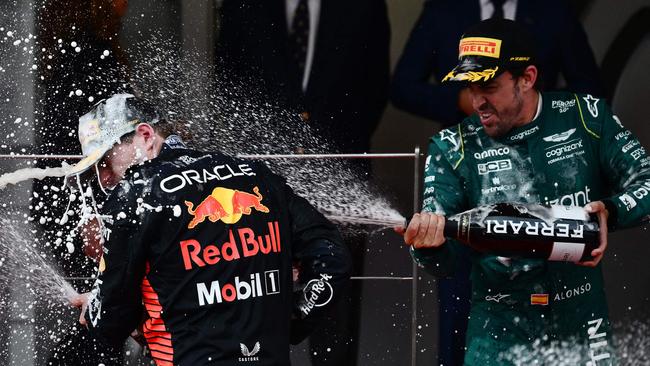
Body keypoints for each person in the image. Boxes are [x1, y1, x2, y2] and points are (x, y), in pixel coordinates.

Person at [398, 18, 650, 365]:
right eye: (470, 87)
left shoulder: (586, 116)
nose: (476, 101)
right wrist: (429, 246)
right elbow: (445, 262)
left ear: (527, 78)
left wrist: (611, 210)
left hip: (582, 324)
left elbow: (646, 183)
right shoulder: (450, 148)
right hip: (499, 333)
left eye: (488, 86)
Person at [60, 93, 351, 365]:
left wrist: (97, 305)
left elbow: (111, 322)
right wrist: (295, 316)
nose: (106, 179)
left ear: (145, 136)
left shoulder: (136, 197)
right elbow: (332, 257)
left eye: (106, 162)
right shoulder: (256, 175)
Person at [217, 2, 390, 364]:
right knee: (252, 291)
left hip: (339, 174)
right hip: (259, 181)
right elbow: (227, 86)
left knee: (336, 301)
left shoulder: (364, 8)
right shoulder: (244, 6)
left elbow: (374, 88)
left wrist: (322, 152)